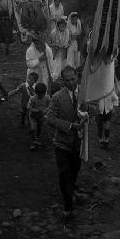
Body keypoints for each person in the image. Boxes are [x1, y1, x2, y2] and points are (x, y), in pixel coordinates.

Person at [47, 66, 84, 223]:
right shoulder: (57, 97)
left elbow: (93, 108)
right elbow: (50, 118)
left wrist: (89, 115)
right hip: (62, 143)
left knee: (75, 170)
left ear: (77, 77)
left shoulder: (84, 93)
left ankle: (71, 190)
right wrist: (69, 126)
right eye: (67, 80)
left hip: (79, 143)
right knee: (64, 174)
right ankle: (68, 205)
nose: (71, 82)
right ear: (63, 81)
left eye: (73, 79)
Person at [27, 82, 50, 150]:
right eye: (39, 95)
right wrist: (36, 110)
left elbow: (50, 106)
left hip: (41, 117)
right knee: (33, 129)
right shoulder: (32, 98)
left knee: (40, 128)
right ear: (36, 93)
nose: (40, 96)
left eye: (42, 95)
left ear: (44, 93)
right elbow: (29, 107)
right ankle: (34, 142)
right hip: (32, 116)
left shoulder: (47, 98)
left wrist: (46, 110)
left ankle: (37, 139)